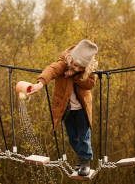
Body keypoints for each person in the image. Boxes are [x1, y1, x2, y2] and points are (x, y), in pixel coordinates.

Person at [27, 39, 98, 176]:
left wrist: (75, 76)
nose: (76, 68)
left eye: (80, 68)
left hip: (82, 109)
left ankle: (85, 161)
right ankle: (81, 156)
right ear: (72, 59)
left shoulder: (87, 71)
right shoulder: (64, 63)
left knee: (84, 137)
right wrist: (40, 84)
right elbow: (51, 70)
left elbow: (90, 84)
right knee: (73, 138)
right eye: (75, 65)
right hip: (67, 109)